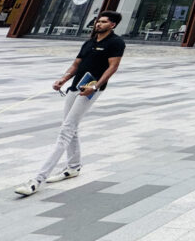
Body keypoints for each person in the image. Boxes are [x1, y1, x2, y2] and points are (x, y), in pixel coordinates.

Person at [14, 11, 126, 196]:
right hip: (75, 87)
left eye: (104, 22)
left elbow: (113, 67)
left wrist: (96, 87)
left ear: (112, 25)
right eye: (98, 21)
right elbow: (76, 65)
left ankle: (37, 180)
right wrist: (63, 79)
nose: (98, 24)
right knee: (70, 126)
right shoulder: (89, 42)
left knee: (66, 130)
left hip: (89, 89)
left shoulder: (116, 43)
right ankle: (73, 166)